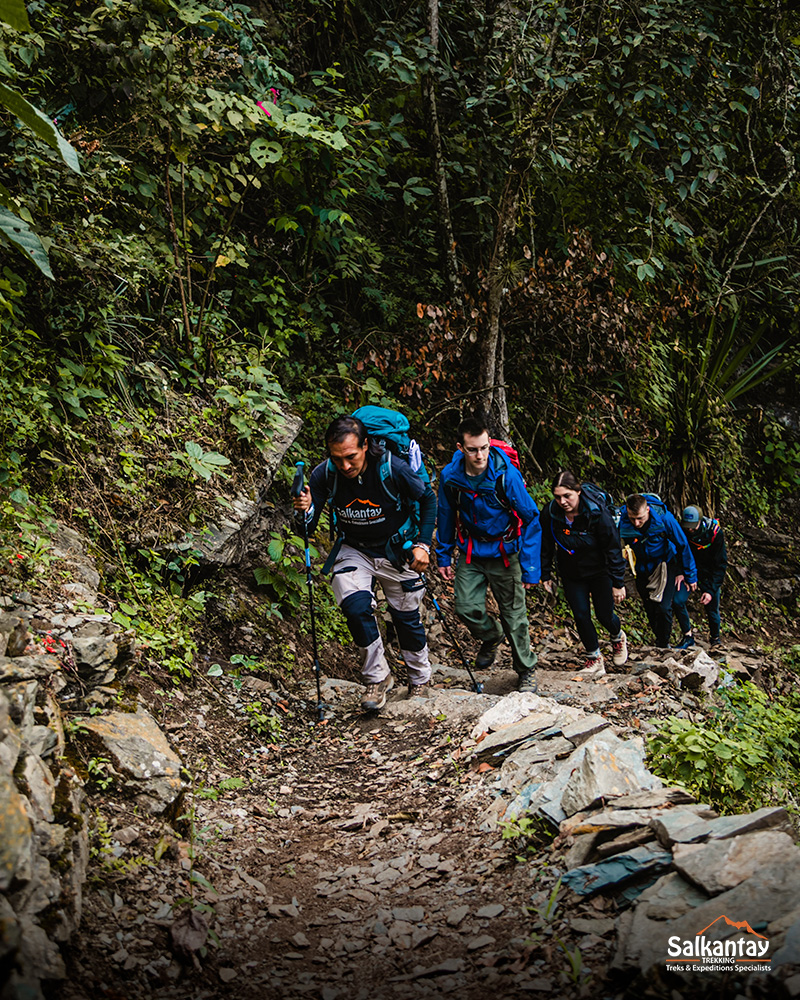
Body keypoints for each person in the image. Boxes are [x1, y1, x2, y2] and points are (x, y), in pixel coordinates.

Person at [292, 415, 436, 711]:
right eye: (337, 458)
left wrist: (423, 545)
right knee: (355, 606)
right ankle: (378, 678)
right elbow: (306, 529)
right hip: (354, 548)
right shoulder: (324, 475)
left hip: (398, 548)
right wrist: (303, 511)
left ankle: (420, 678)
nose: (345, 466)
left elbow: (428, 499)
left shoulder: (391, 468)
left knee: (405, 616)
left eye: (351, 457)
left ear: (365, 445)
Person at [435, 415, 542, 692]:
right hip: (472, 551)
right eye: (473, 449)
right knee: (465, 607)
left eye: (484, 447)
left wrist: (530, 567)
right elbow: (446, 515)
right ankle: (491, 635)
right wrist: (443, 556)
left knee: (514, 615)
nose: (480, 455)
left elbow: (531, 518)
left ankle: (526, 669)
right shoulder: (450, 477)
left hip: (506, 551)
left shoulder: (506, 475)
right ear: (461, 447)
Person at [539, 471, 628, 677]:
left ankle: (617, 637)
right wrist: (546, 574)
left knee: (605, 615)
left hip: (600, 571)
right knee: (580, 615)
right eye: (558, 496)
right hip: (572, 572)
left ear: (578, 492)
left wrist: (617, 582)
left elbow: (613, 548)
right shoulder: (551, 513)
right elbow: (546, 544)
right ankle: (594, 658)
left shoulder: (597, 513)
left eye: (567, 496)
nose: (562, 501)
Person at [618, 494, 698, 649]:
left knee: (663, 605)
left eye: (640, 518)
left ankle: (663, 644)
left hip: (664, 563)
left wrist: (690, 575)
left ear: (647, 510)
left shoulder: (664, 519)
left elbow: (683, 545)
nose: (636, 523)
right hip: (640, 566)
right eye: (633, 518)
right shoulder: (621, 521)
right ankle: (659, 639)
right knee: (649, 606)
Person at [672, 505, 728, 648]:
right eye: (687, 526)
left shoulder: (715, 533)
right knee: (678, 600)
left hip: (709, 574)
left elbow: (720, 565)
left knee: (712, 608)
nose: (689, 530)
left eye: (693, 526)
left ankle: (715, 639)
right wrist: (679, 572)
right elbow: (676, 552)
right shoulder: (681, 530)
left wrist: (710, 590)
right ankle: (688, 636)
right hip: (688, 571)